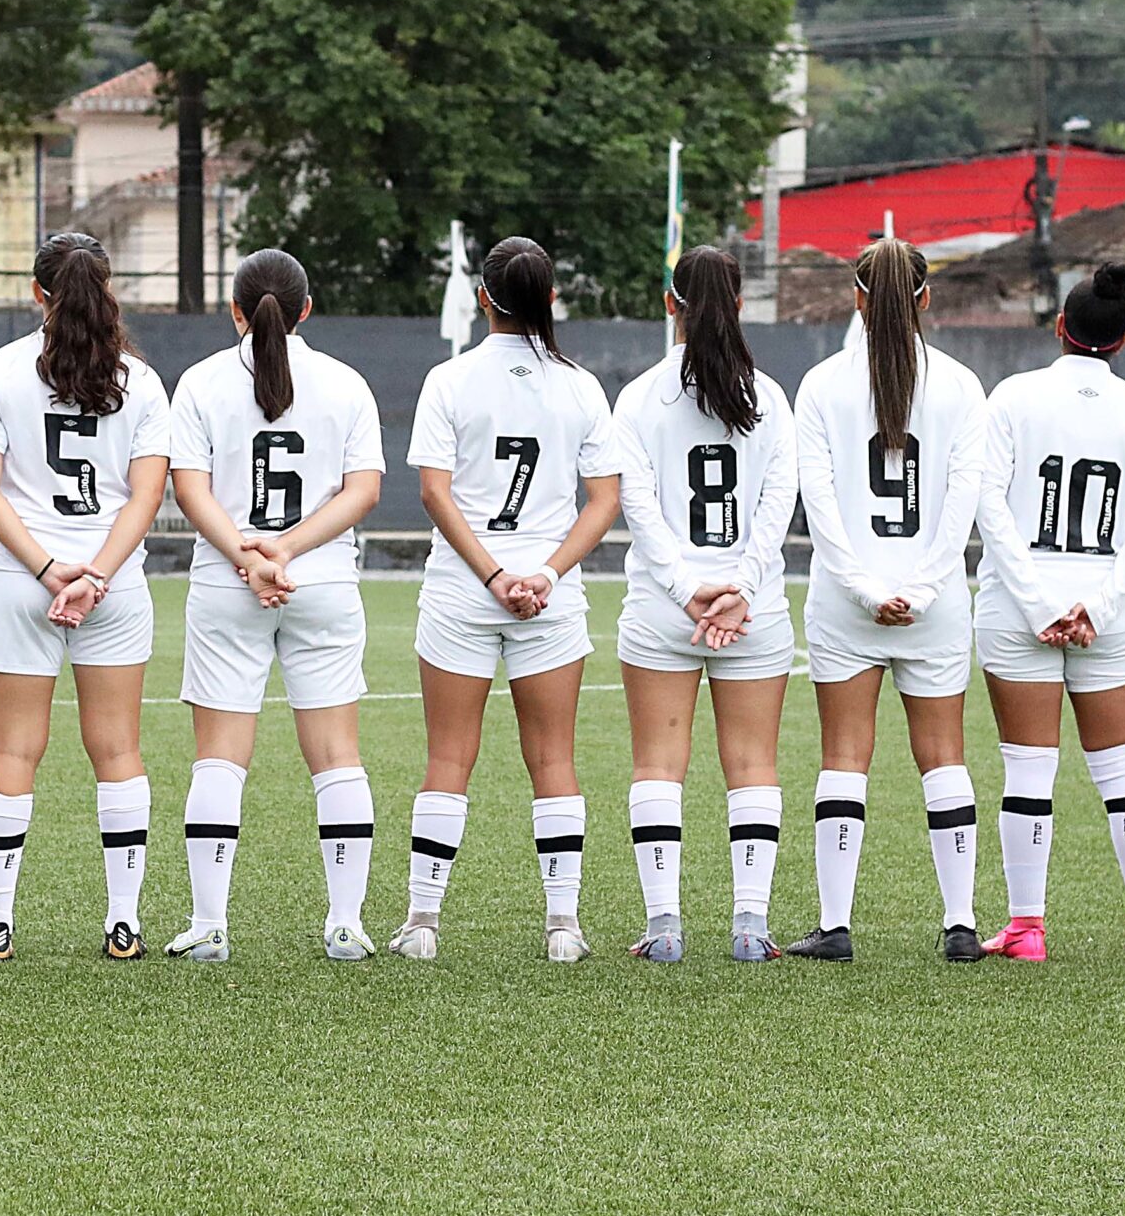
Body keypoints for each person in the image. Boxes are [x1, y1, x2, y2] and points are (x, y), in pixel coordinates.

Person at [392, 235, 622, 962]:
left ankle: (423, 924)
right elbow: (604, 501)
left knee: (448, 759)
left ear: (485, 297)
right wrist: (545, 574)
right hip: (550, 600)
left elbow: (434, 490)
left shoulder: (450, 378)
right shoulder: (581, 385)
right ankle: (563, 929)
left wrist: (493, 575)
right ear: (549, 297)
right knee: (553, 760)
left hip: (464, 591)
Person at [164, 248, 386, 962]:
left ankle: (208, 927)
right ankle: (346, 923)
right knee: (337, 759)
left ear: (235, 311)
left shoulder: (199, 383)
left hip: (229, 586)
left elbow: (189, 488)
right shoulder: (346, 382)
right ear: (306, 311)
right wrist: (289, 551)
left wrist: (249, 556)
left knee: (220, 761)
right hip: (320, 584)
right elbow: (363, 491)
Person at [0, 233, 171, 960]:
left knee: (14, 751)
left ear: (36, 293)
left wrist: (50, 570)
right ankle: (124, 924)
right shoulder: (140, 381)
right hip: (113, 587)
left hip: (23, 584)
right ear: (109, 289)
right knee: (117, 752)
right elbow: (148, 497)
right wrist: (95, 574)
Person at [972, 261, 1125, 962]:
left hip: (1014, 609)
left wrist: (1037, 603)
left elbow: (988, 507)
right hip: (1109, 616)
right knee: (1123, 769)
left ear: (1060, 327)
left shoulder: (1012, 397)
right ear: (1122, 341)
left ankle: (1027, 929)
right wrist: (1099, 604)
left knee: (1029, 769)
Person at [791, 237, 989, 963]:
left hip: (846, 603)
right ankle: (961, 924)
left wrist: (866, 589)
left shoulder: (820, 385)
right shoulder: (964, 386)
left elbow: (820, 507)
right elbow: (963, 502)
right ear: (925, 300)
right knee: (944, 757)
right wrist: (926, 586)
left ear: (856, 298)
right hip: (934, 605)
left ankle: (835, 926)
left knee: (845, 756)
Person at [609, 245, 797, 965]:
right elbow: (779, 506)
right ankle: (750, 926)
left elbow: (639, 508)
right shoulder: (771, 398)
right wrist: (740, 588)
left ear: (670, 304)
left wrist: (690, 589)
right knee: (752, 764)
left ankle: (665, 928)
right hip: (753, 612)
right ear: (741, 304)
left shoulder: (638, 397)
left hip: (665, 608)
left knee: (658, 763)